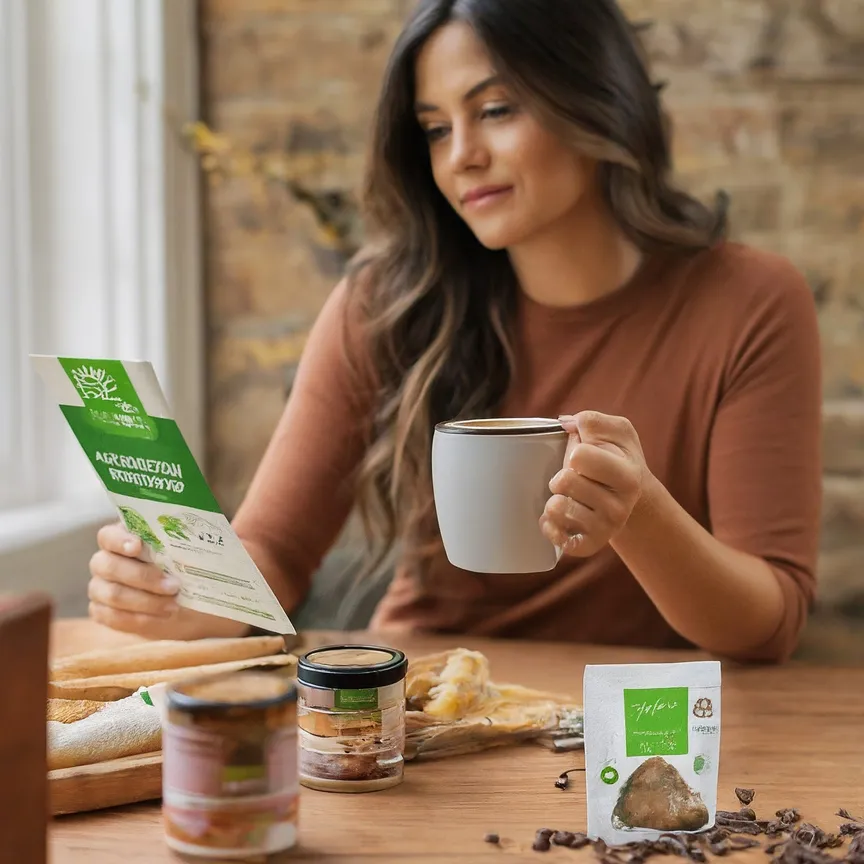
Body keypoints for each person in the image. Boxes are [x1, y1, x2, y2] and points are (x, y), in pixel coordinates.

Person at [86, 0, 822, 663]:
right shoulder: (388, 301)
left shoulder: (749, 300)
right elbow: (273, 552)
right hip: (419, 710)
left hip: (629, 733)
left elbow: (769, 624)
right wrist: (179, 595)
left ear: (597, 98)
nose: (460, 155)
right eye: (435, 129)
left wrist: (642, 514)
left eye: (496, 110)